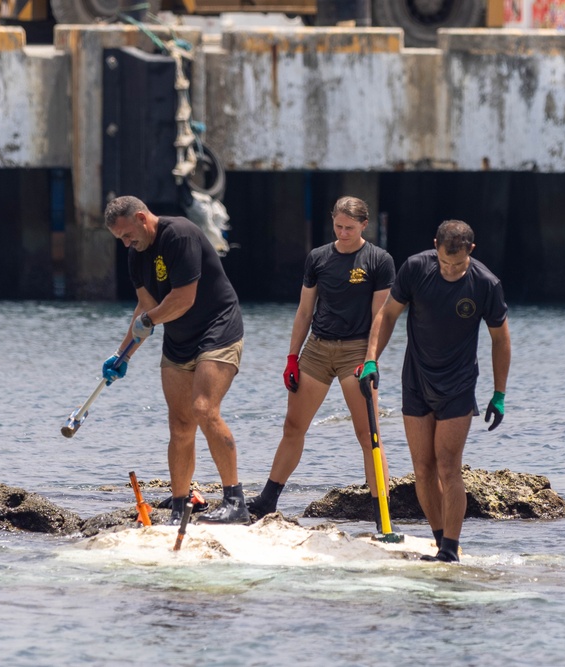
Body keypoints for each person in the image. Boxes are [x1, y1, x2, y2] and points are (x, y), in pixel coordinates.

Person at [359, 220, 511, 562]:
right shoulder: (416, 268)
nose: (451, 270)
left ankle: (451, 550)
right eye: (444, 263)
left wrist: (499, 393)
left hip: (458, 385)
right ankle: (441, 541)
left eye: (457, 264)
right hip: (415, 379)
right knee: (422, 468)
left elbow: (500, 339)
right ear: (435, 247)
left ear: (471, 251)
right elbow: (387, 315)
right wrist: (371, 360)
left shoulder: (486, 284)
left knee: (447, 466)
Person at [247, 196, 396, 530]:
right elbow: (304, 312)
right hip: (316, 349)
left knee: (368, 434)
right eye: (338, 226)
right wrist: (291, 357)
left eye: (349, 228)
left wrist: (371, 360)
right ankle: (267, 500)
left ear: (363, 225)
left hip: (356, 353)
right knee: (293, 427)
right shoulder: (318, 258)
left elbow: (380, 319)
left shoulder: (379, 260)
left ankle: (383, 517)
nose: (342, 233)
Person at [102, 195, 249, 525]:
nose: (126, 243)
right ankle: (181, 506)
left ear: (142, 217)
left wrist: (150, 321)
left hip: (218, 329)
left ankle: (235, 501)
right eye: (120, 239)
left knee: (203, 409)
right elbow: (144, 308)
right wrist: (121, 354)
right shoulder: (135, 256)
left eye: (127, 235)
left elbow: (183, 299)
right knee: (180, 424)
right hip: (180, 338)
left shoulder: (178, 234)